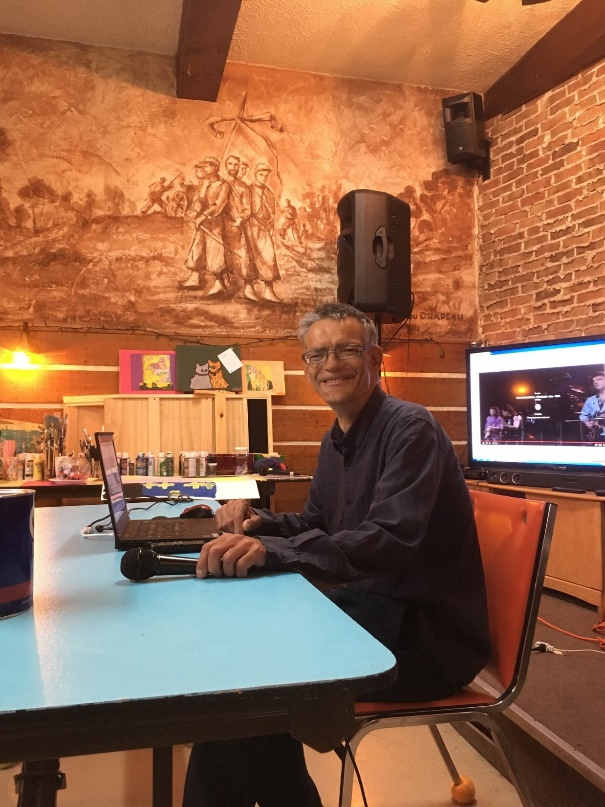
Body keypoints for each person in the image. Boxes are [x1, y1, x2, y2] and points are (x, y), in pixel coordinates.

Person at [183, 302, 490, 807]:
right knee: (249, 682)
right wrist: (258, 522)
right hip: (371, 613)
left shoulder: (411, 429)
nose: (331, 364)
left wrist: (271, 551)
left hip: (424, 640)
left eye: (347, 349)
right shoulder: (335, 440)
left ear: (375, 359)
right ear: (307, 367)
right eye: (318, 354)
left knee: (246, 688)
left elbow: (389, 539)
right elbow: (318, 524)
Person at [579, 371, 605, 440]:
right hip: (597, 436)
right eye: (594, 381)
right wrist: (587, 423)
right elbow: (583, 415)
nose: (595, 382)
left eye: (599, 379)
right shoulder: (590, 400)